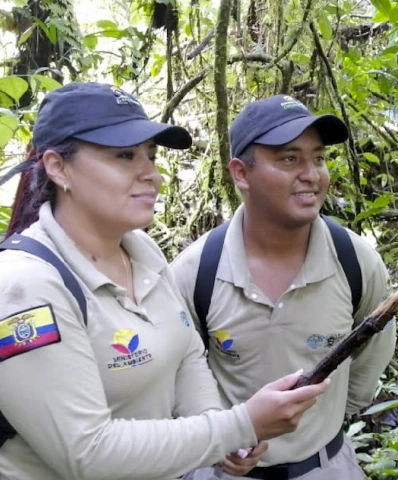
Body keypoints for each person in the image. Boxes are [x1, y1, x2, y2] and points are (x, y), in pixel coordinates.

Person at [0, 82, 329, 480]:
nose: (152, 175)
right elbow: (86, 453)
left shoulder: (142, 252)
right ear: (58, 167)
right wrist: (238, 425)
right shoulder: (25, 287)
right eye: (124, 156)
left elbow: (187, 356)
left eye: (151, 156)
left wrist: (221, 431)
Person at [171, 95, 396, 479]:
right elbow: (176, 372)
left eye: (319, 158)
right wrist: (218, 436)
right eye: (289, 159)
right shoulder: (195, 271)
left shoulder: (355, 261)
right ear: (241, 173)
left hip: (325, 467)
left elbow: (373, 352)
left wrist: (325, 420)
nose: (312, 174)